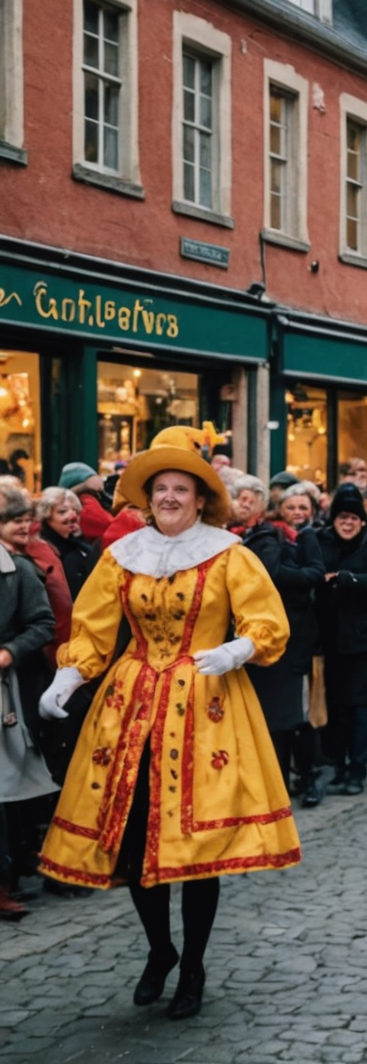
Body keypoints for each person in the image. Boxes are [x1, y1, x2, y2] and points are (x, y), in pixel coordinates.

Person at [37, 425, 297, 1019]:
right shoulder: (122, 555)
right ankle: (161, 951)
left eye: (181, 488)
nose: (170, 498)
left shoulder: (230, 554)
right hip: (130, 705)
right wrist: (70, 675)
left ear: (201, 497)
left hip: (207, 706)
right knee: (133, 840)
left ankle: (195, 966)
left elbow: (267, 621)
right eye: (161, 489)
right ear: (148, 497)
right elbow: (94, 628)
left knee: (198, 844)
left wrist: (239, 649)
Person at [232, 475, 325, 807]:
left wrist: (281, 577)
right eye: (290, 506)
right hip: (260, 636)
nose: (296, 512)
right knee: (271, 716)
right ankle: (278, 781)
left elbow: (314, 573)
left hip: (294, 635)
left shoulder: (300, 538)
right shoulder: (261, 534)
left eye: (303, 506)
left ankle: (309, 777)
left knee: (294, 715)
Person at [0, 483, 58, 919]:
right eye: (11, 519)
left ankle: (6, 879)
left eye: (24, 518)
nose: (21, 526)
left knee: (6, 791)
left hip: (7, 691)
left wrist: (9, 652)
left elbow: (43, 623)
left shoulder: (18, 570)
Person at [308, 484, 367, 795]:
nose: (348, 522)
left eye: (354, 517)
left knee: (360, 709)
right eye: (342, 516)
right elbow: (313, 573)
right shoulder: (322, 541)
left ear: (363, 521)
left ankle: (357, 770)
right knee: (336, 709)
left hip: (363, 642)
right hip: (329, 640)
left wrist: (342, 578)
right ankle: (339, 767)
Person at [36, 487, 99, 601]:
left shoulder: (80, 544)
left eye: (75, 510)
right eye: (62, 512)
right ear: (46, 516)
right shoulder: (43, 550)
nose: (72, 516)